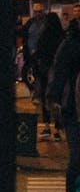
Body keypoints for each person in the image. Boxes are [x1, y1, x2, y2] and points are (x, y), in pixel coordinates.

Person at [45, 14, 80, 192]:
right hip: (73, 109)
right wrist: (53, 98)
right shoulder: (70, 43)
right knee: (77, 157)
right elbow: (58, 71)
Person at [35, 11, 66, 140]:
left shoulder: (44, 35)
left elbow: (39, 52)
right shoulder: (62, 36)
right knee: (57, 99)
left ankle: (47, 127)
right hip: (57, 71)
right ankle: (58, 130)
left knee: (45, 98)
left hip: (44, 70)